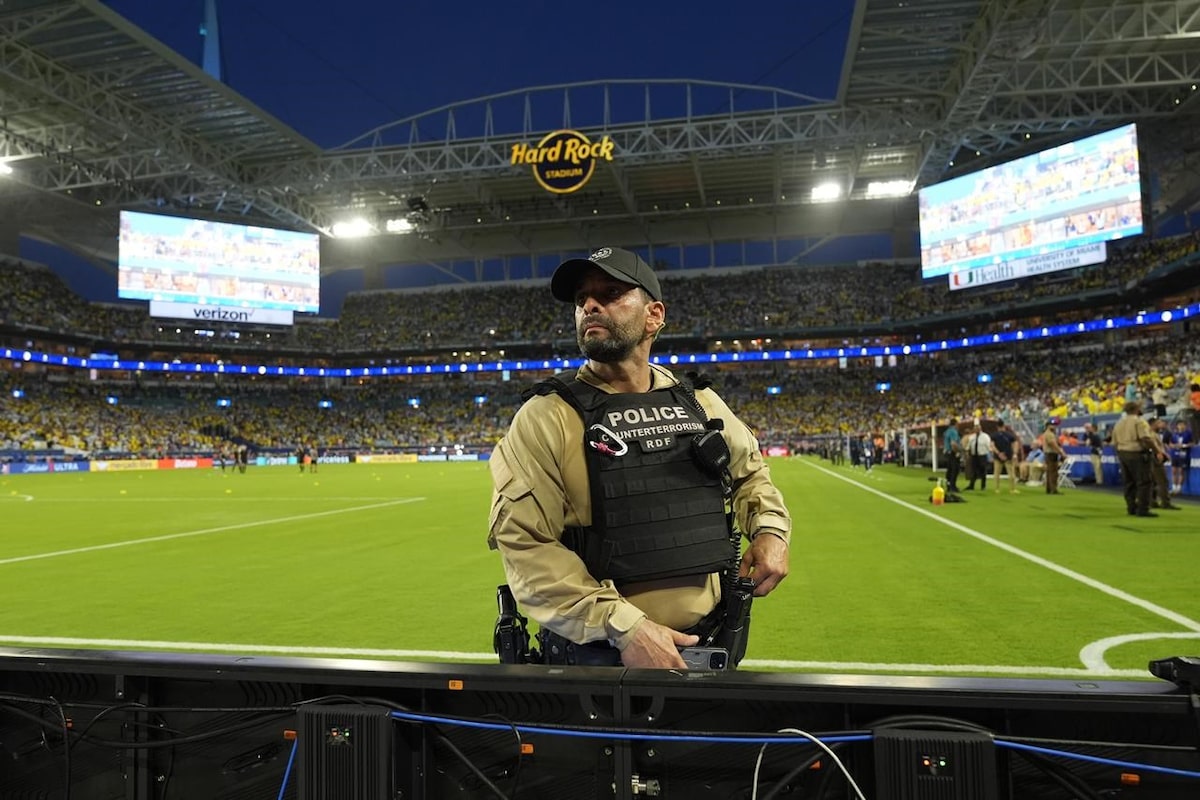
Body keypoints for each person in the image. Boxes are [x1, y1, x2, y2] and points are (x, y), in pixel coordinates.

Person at [487, 247, 791, 670]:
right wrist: (624, 626)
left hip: (710, 649)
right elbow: (525, 543)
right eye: (581, 300)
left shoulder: (699, 401)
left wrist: (771, 531)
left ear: (654, 316)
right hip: (597, 662)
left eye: (611, 293)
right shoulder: (545, 417)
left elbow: (751, 474)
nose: (590, 305)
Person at [1111, 400, 1157, 517]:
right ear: (1137, 409)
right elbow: (1145, 438)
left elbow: (1114, 442)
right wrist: (1157, 451)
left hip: (1123, 452)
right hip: (1137, 453)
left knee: (1129, 482)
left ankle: (1131, 507)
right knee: (1144, 482)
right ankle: (1143, 508)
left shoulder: (1119, 423)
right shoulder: (1139, 422)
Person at [991, 420, 1020, 494]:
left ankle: (997, 489)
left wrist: (998, 453)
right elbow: (1015, 444)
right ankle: (1012, 489)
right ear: (1004, 426)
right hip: (1008, 455)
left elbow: (992, 446)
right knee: (1011, 473)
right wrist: (1015, 454)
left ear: (997, 427)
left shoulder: (994, 435)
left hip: (998, 457)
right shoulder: (1010, 435)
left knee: (997, 473)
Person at [962, 420, 991, 491]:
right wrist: (967, 453)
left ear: (980, 429)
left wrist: (989, 455)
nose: (976, 430)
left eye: (978, 428)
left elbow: (988, 446)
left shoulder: (985, 436)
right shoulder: (972, 437)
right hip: (974, 456)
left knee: (983, 471)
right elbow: (969, 446)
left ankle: (983, 486)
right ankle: (971, 485)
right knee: (973, 471)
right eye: (975, 428)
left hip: (982, 455)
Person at [1042, 421, 1066, 494]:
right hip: (1051, 454)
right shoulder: (1049, 434)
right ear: (1048, 426)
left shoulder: (1047, 434)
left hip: (1048, 454)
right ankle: (1053, 489)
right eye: (1053, 425)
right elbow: (1052, 444)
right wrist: (1061, 453)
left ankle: (1049, 489)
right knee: (1053, 472)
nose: (1055, 427)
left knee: (1049, 472)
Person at [1169, 420, 1192, 495]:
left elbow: (1193, 443)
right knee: (1174, 471)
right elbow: (1170, 443)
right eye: (1179, 425)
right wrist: (1174, 446)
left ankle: (1179, 488)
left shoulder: (1188, 434)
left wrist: (1184, 446)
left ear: (1185, 426)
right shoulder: (1174, 434)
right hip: (1174, 454)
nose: (1181, 426)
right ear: (1177, 426)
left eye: (1182, 425)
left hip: (1183, 455)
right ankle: (1174, 487)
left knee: (1181, 471)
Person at [942, 418, 962, 493]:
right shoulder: (953, 432)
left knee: (949, 470)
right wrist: (957, 452)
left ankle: (949, 485)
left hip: (947, 452)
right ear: (956, 424)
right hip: (952, 452)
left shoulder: (947, 431)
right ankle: (952, 487)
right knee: (955, 470)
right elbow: (953, 443)